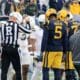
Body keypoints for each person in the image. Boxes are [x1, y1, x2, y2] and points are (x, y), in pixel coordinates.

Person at [0, 12, 31, 80]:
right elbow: (28, 31)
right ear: (14, 18)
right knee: (17, 70)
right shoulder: (16, 25)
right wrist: (28, 23)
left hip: (4, 49)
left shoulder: (2, 25)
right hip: (13, 49)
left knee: (4, 70)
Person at [41, 8, 68, 80]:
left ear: (48, 15)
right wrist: (65, 52)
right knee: (57, 69)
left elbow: (45, 38)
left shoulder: (48, 24)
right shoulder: (63, 24)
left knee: (45, 69)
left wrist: (42, 50)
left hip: (50, 50)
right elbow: (65, 40)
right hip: (59, 50)